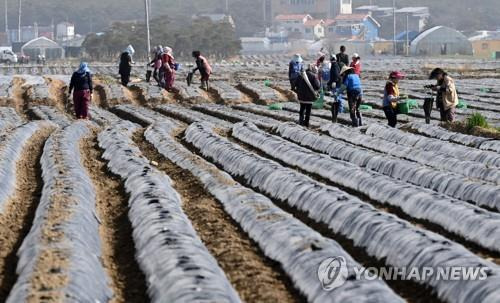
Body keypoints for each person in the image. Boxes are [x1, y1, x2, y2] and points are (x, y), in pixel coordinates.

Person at [327, 55, 343, 123]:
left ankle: (340, 111)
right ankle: (340, 110)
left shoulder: (334, 66)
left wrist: (333, 82)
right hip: (338, 83)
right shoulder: (336, 64)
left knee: (337, 98)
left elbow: (336, 75)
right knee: (338, 98)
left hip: (336, 84)